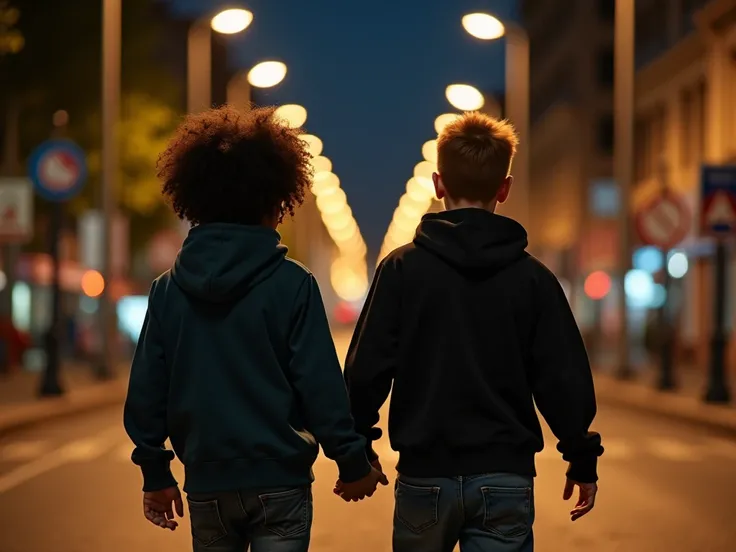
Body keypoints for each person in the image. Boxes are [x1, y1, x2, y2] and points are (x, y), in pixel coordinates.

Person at [123, 105, 387, 552]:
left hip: (207, 484)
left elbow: (147, 390)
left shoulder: (168, 290)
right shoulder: (292, 284)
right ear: (277, 200)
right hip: (279, 483)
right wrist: (351, 460)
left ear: (195, 199)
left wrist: (156, 473)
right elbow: (319, 383)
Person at [339, 112, 604, 552]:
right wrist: (581, 457)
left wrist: (360, 444)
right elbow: (562, 376)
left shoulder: (402, 270)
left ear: (438, 184)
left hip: (425, 475)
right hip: (505, 477)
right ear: (504, 188)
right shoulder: (533, 279)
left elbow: (367, 367)